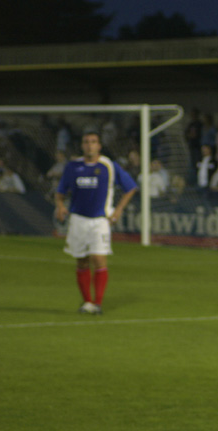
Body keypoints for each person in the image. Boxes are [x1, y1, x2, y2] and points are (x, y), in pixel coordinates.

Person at [54, 130, 138, 314]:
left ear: (99, 145)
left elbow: (130, 188)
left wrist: (118, 209)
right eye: (86, 142)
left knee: (99, 259)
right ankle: (87, 302)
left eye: (93, 141)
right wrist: (60, 206)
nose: (90, 145)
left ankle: (98, 303)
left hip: (100, 220)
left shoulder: (109, 165)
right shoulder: (72, 167)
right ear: (82, 145)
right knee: (82, 262)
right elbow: (60, 192)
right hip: (77, 220)